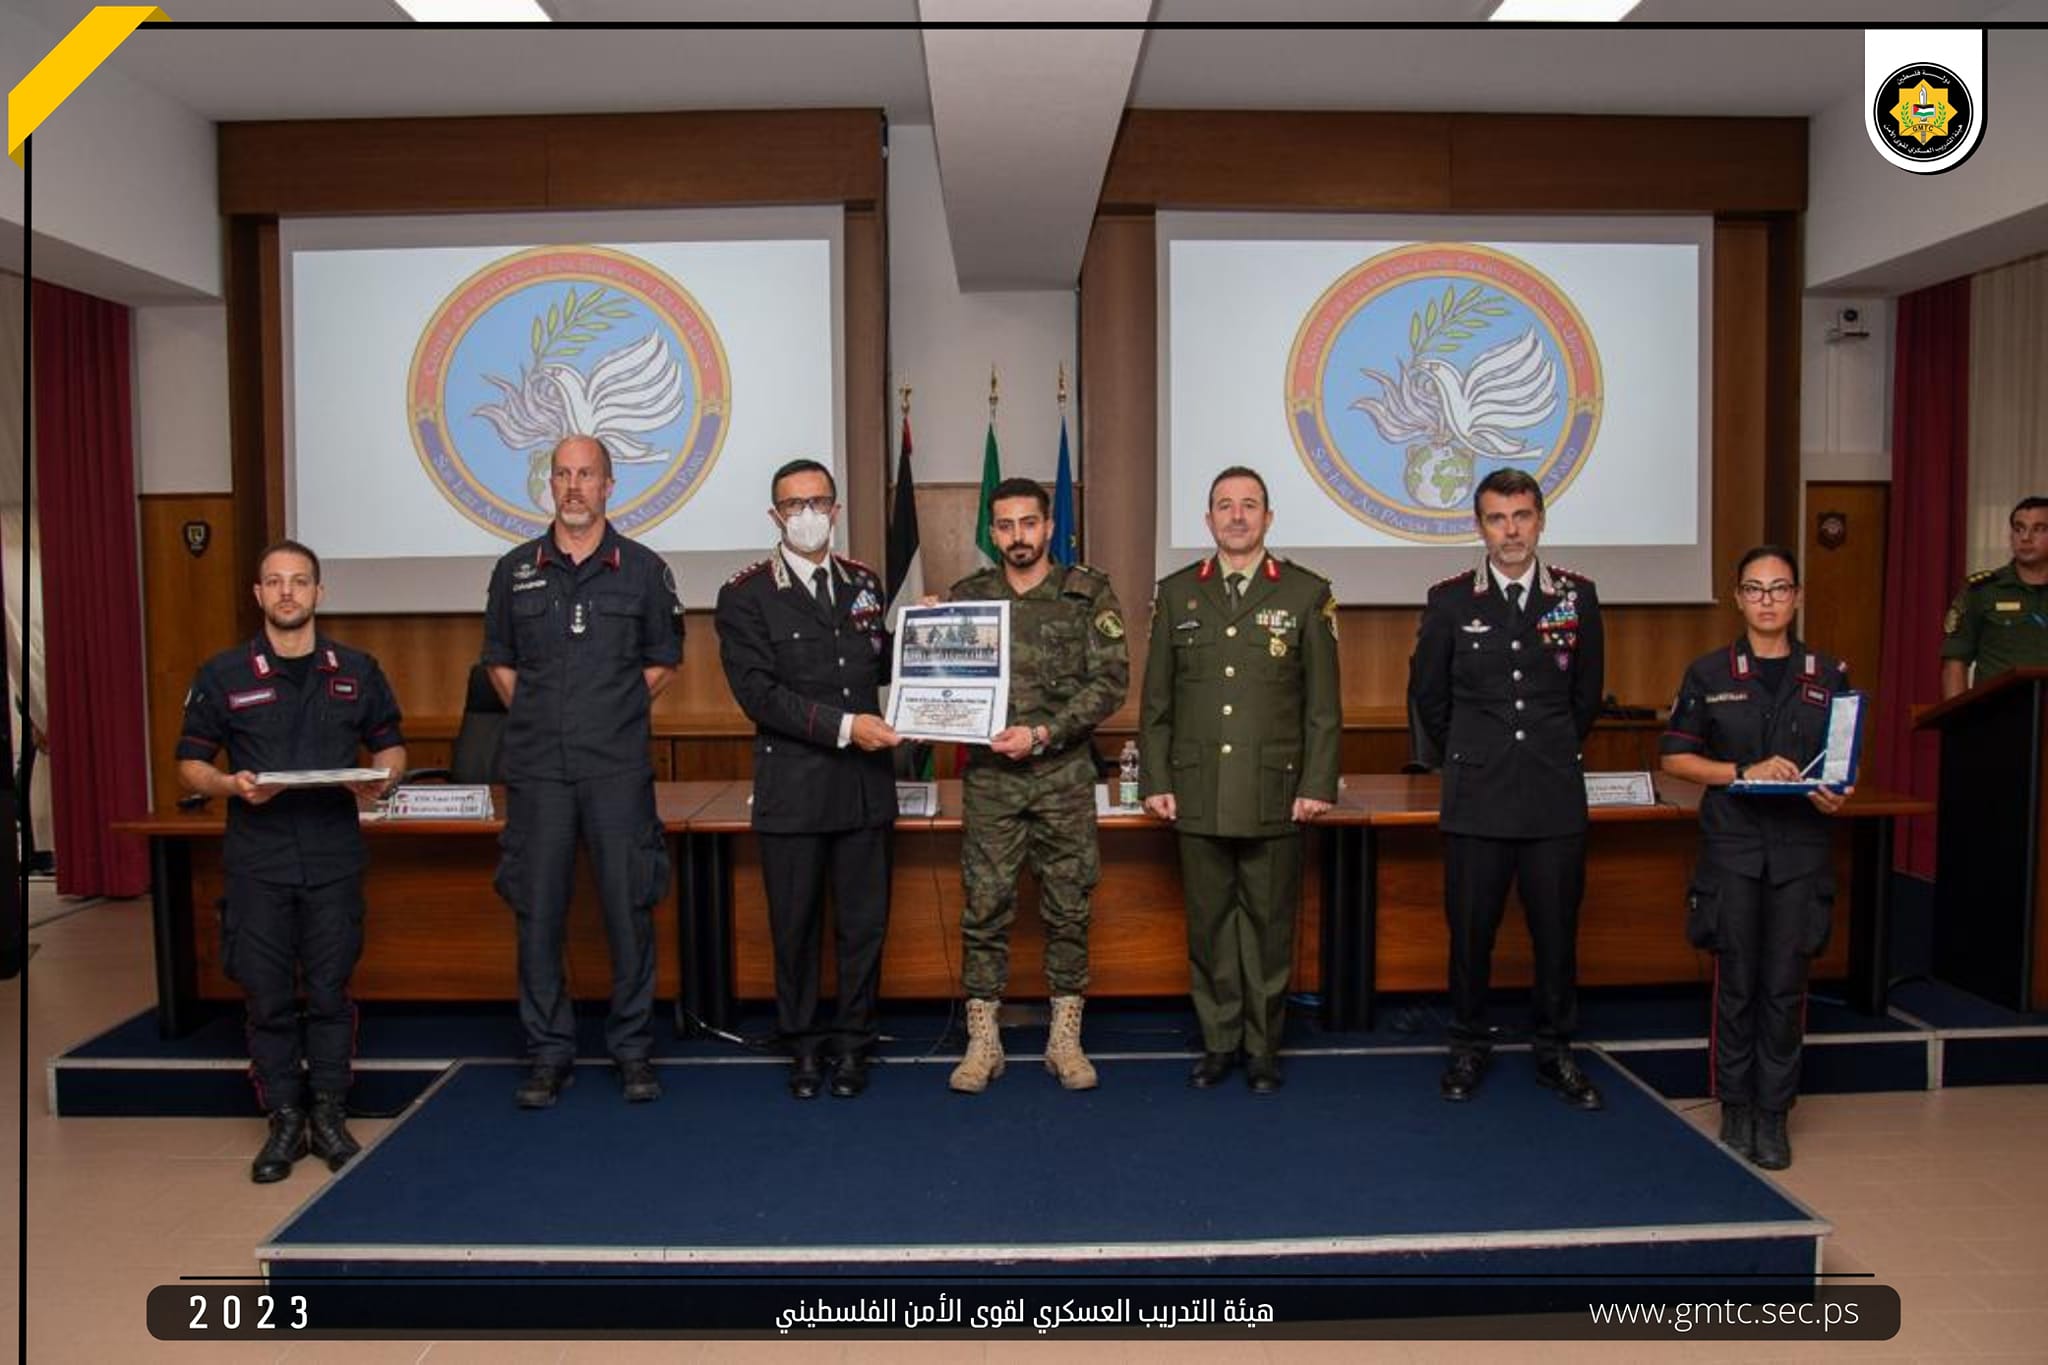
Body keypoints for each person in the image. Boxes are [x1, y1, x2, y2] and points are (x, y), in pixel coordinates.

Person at [175, 540, 406, 1183]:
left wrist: (380, 781)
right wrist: (230, 786)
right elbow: (190, 763)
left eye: (299, 581)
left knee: (331, 993)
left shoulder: (356, 669)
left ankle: (329, 1114)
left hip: (334, 858)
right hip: (259, 860)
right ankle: (282, 1120)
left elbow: (391, 746)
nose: (286, 592)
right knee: (268, 997)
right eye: (274, 581)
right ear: (258, 594)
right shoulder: (224, 674)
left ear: (318, 593)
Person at [482, 434, 683, 1108]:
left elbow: (663, 661)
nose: (573, 486)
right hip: (538, 769)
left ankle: (633, 1051)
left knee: (630, 908)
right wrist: (546, 716)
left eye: (586, 474)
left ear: (608, 485)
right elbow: (500, 663)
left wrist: (608, 713)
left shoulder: (644, 570)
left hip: (616, 768)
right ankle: (548, 1054)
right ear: (551, 485)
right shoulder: (514, 570)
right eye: (563, 474)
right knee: (537, 912)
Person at [1407, 468, 1606, 1110]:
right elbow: (1430, 697)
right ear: (1480, 526)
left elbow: (1586, 697)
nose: (1511, 530)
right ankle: (1468, 1045)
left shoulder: (1576, 597)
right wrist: (1474, 754)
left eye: (1521, 516)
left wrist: (1544, 750)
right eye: (1497, 518)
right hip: (1477, 796)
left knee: (1557, 933)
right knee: (1471, 934)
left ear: (1540, 520)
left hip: (1552, 794)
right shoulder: (1450, 601)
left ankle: (1555, 1049)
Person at [1138, 466, 1340, 1094]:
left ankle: (1263, 1048)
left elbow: (1323, 708)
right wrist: (1155, 777)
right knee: (1208, 926)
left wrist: (1316, 784)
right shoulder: (1177, 593)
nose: (1236, 516)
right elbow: (1157, 703)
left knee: (1269, 926)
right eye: (1224, 505)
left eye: (1249, 504)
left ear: (1268, 518)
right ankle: (1219, 1042)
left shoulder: (1306, 593)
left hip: (1273, 791)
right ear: (1208, 520)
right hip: (1196, 790)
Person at [1660, 546, 1854, 1170]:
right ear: (1739, 599)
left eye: (1779, 588)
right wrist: (1742, 770)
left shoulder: (1828, 676)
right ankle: (1736, 1105)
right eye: (1755, 589)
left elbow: (1841, 767)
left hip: (1801, 852)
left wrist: (1835, 793)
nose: (1767, 600)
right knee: (1738, 982)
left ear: (1797, 597)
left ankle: (1774, 1113)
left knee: (1785, 984)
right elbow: (1675, 758)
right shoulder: (1709, 673)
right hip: (1735, 850)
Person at [716, 459, 901, 1100]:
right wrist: (848, 726)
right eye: (794, 505)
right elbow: (759, 695)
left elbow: (881, 663)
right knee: (794, 927)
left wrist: (927, 635)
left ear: (836, 510)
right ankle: (800, 1045)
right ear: (776, 515)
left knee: (863, 927)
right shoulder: (746, 595)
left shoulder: (864, 582)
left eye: (818, 502)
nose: (808, 515)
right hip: (794, 789)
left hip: (864, 789)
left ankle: (853, 1044)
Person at [946, 477, 1128, 1093]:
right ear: (992, 532)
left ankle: (1064, 1040)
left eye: (1029, 523)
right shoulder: (968, 598)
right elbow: (944, 682)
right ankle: (983, 1042)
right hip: (991, 781)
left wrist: (1045, 733)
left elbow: (1110, 682)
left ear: (1049, 527)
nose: (1018, 536)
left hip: (1063, 777)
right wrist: (927, 634)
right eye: (1005, 526)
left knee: (1069, 907)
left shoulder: (1087, 593)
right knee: (984, 908)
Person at [1940, 496, 2048, 699]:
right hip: (1997, 712)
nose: (2026, 538)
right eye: (2019, 529)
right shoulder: (1982, 591)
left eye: (2039, 529)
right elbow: (1955, 662)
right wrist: (1960, 716)